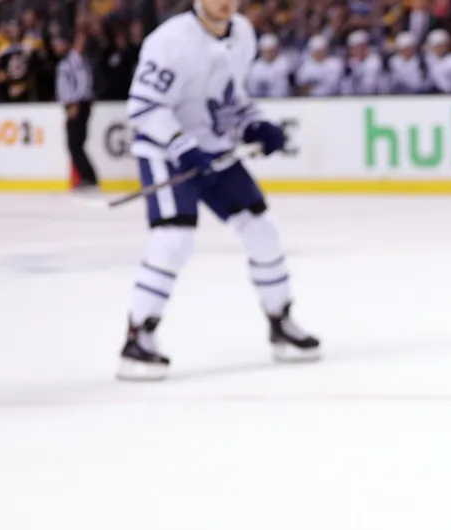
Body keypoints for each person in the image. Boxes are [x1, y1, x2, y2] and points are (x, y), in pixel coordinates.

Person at [118, 0, 319, 380]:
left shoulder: (242, 32)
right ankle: (138, 336)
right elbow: (144, 107)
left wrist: (254, 124)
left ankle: (280, 321)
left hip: (214, 150)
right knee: (173, 239)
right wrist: (181, 146)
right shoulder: (170, 40)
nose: (225, 2)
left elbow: (230, 100)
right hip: (166, 151)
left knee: (263, 231)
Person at [55, 32, 97, 191]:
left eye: (59, 43)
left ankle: (89, 177)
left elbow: (83, 82)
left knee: (75, 143)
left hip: (77, 105)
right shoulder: (70, 60)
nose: (56, 46)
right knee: (75, 143)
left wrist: (75, 102)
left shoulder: (75, 60)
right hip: (74, 104)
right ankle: (88, 177)